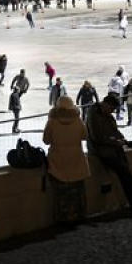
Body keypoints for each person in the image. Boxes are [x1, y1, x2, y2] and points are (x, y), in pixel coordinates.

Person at [86, 95, 132, 215]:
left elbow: (114, 130)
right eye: (111, 108)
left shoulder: (105, 114)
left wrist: (124, 141)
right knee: (124, 172)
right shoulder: (94, 115)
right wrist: (116, 141)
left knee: (127, 172)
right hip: (101, 150)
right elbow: (98, 137)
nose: (112, 111)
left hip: (112, 148)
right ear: (105, 104)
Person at [43, 96, 90, 224]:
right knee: (77, 192)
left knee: (61, 193)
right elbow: (85, 136)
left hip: (57, 160)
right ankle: (79, 216)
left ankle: (63, 218)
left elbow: (46, 140)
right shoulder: (78, 120)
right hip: (76, 159)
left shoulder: (52, 121)